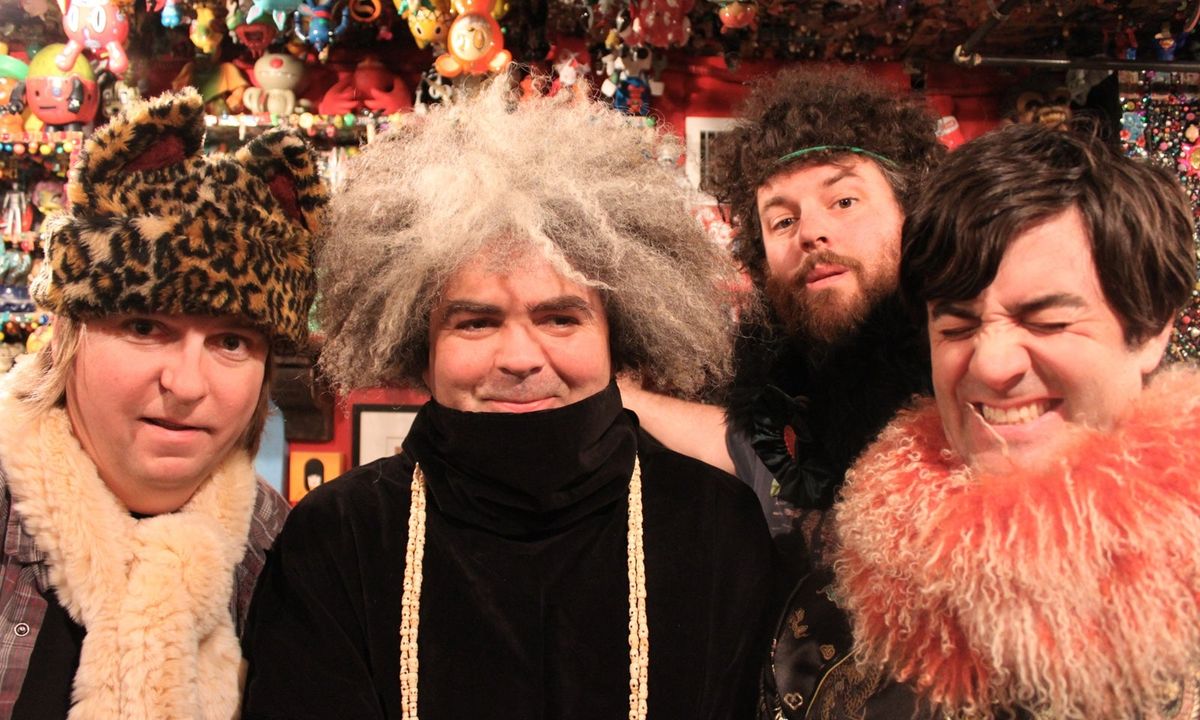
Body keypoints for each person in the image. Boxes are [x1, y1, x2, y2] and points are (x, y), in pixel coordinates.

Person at [240, 81, 774, 719]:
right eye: (476, 322)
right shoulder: (340, 539)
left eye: (560, 319)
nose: (520, 357)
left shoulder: (714, 527)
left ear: (621, 336)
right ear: (419, 345)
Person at [764, 123, 1200, 718]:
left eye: (1047, 321)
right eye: (958, 326)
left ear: (1150, 329)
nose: (992, 366)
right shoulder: (831, 625)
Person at [0, 88, 328, 717]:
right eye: (146, 327)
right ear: (68, 335)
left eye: (231, 342)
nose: (186, 384)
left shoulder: (285, 558)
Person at [619, 67, 944, 556]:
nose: (809, 232)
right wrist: (623, 396)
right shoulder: (784, 393)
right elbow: (741, 445)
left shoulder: (969, 382)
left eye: (844, 200)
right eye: (783, 220)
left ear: (910, 213)